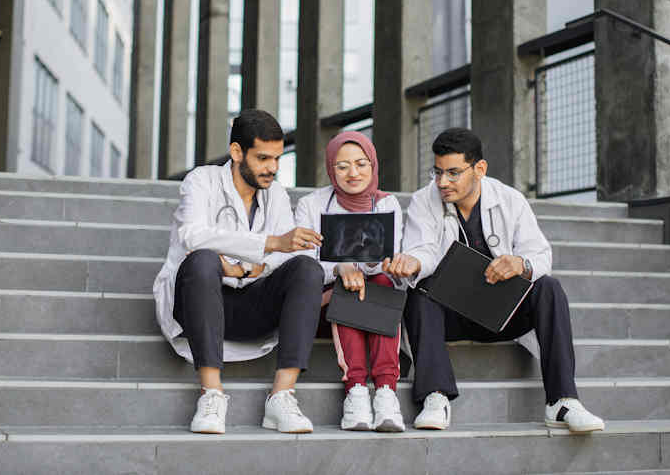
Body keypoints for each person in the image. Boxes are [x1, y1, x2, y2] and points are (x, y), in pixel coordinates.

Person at [382, 127, 605, 433]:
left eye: (453, 173)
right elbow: (424, 249)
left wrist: (520, 264)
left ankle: (563, 401)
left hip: (503, 314)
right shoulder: (425, 200)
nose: (442, 182)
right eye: (437, 172)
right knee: (420, 291)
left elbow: (541, 256)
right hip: (451, 316)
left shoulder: (510, 199)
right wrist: (414, 261)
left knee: (549, 288)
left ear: (480, 169)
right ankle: (435, 396)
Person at [152, 109, 325, 434]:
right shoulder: (202, 181)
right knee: (202, 260)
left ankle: (282, 397)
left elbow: (285, 253)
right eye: (262, 158)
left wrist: (241, 269)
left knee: (306, 268)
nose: (272, 168)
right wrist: (267, 244)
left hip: (249, 305)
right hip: (198, 303)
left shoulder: (275, 194)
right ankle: (211, 395)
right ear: (236, 152)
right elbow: (192, 234)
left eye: (277, 158)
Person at [294, 132, 406, 432]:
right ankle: (356, 389)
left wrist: (371, 263)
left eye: (360, 164)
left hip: (374, 293)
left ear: (373, 165)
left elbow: (391, 258)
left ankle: (385, 391)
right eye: (342, 166)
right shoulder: (311, 204)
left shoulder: (387, 204)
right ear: (331, 168)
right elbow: (303, 260)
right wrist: (341, 268)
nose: (353, 173)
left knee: (379, 279)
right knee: (349, 287)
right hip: (323, 302)